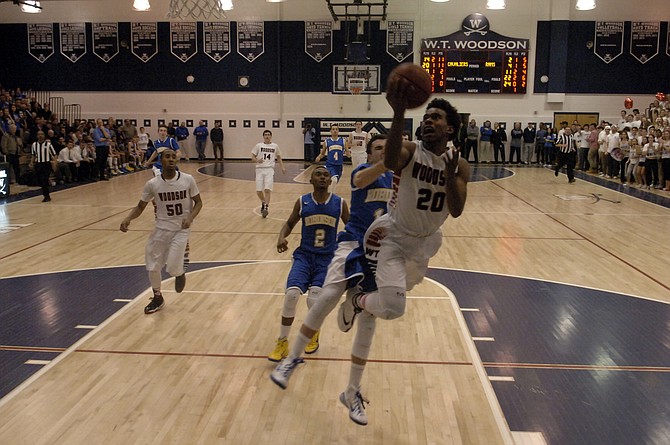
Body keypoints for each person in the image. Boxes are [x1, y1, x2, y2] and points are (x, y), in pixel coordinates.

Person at [272, 89, 469, 426]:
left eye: (435, 118)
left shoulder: (458, 163)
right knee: (329, 295)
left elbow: (457, 209)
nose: (428, 121)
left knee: (388, 308)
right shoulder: (392, 160)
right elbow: (385, 162)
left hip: (422, 244)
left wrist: (449, 175)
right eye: (424, 117)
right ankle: (293, 357)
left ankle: (357, 325)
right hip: (380, 238)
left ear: (451, 128)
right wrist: (396, 117)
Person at [270, 134, 394, 426]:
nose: (383, 152)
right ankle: (291, 359)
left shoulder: (398, 181)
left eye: (387, 149)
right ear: (368, 151)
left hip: (379, 251)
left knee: (370, 321)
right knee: (323, 298)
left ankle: (352, 391)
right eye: (378, 147)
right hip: (351, 245)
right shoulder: (362, 172)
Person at [268, 166, 350, 361]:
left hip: (326, 260)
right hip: (304, 256)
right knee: (291, 295)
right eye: (318, 174)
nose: (322, 177)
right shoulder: (302, 202)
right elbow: (289, 223)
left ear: (330, 181)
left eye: (326, 175)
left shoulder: (339, 203)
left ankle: (314, 333)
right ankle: (282, 342)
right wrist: (281, 236)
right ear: (311, 180)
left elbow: (352, 227)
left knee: (313, 300)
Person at [120, 148, 202, 314]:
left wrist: (190, 217)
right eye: (167, 157)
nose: (171, 159)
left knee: (172, 268)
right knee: (152, 265)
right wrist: (128, 218)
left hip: (181, 229)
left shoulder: (187, 179)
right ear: (161, 160)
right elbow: (140, 206)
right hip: (160, 228)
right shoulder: (153, 184)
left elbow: (199, 203)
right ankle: (157, 297)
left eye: (174, 157)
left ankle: (179, 272)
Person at [252, 130, 286, 218]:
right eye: (265, 135)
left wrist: (282, 167)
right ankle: (263, 202)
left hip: (269, 169)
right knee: (259, 191)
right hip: (259, 169)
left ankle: (266, 207)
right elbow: (252, 157)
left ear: (271, 136)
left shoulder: (275, 146)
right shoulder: (258, 145)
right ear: (263, 136)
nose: (267, 136)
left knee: (267, 189)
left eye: (268, 135)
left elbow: (279, 157)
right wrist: (257, 160)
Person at [30, 130, 57, 202]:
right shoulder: (34, 145)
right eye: (38, 134)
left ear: (44, 136)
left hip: (46, 164)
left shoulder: (48, 145)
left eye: (42, 134)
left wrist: (54, 164)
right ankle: (46, 192)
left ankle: (46, 196)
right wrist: (31, 163)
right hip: (38, 164)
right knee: (40, 180)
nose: (40, 135)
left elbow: (54, 155)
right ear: (37, 136)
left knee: (44, 180)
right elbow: (33, 155)